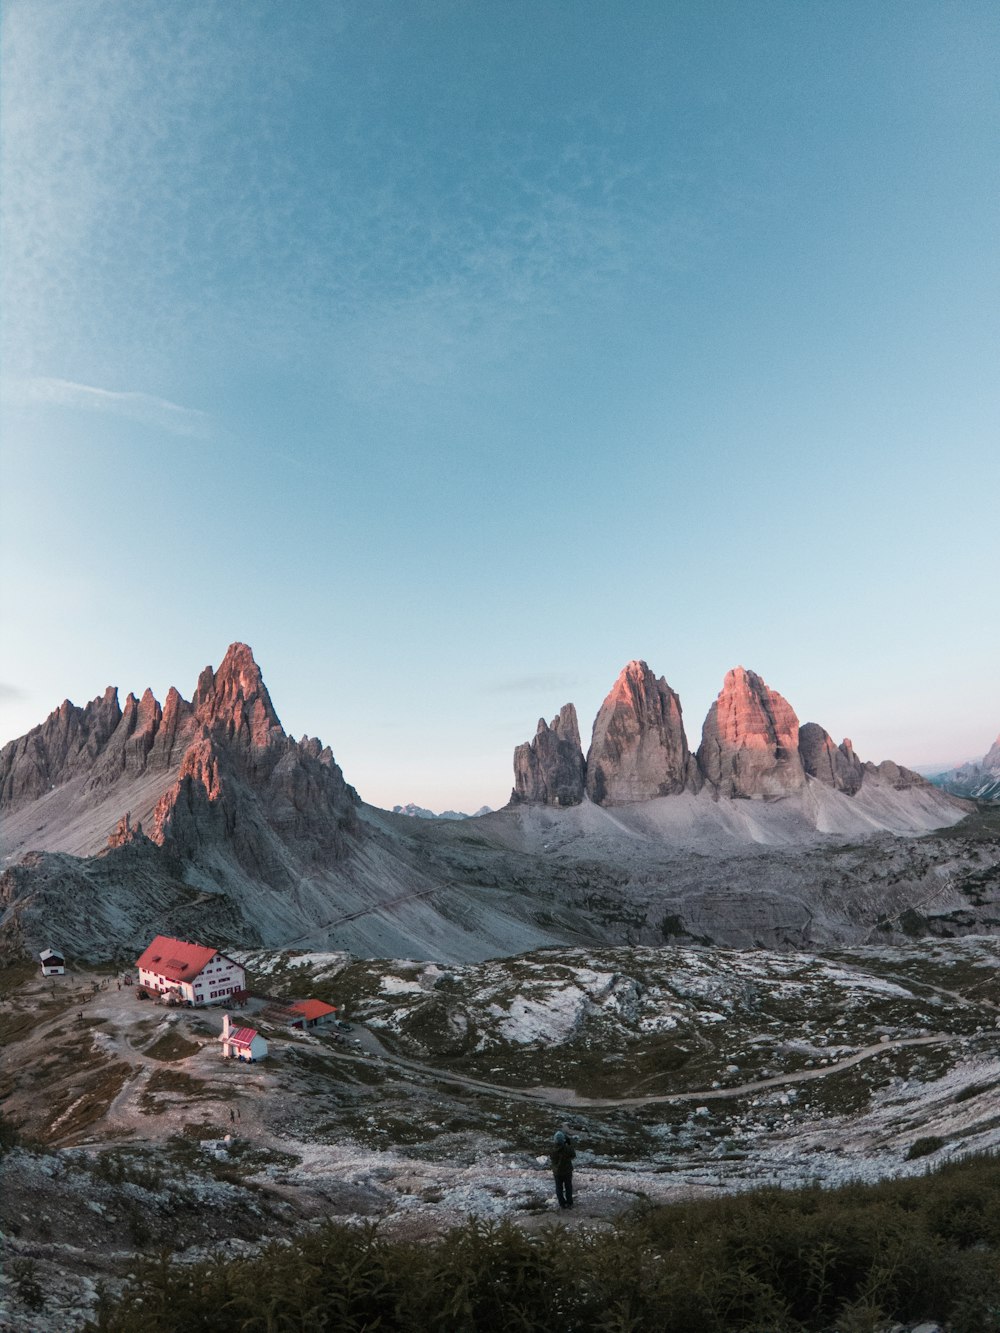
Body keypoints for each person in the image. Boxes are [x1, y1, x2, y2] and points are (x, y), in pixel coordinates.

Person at [549, 1129, 576, 1209]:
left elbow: (551, 1158)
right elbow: (573, 1155)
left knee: (559, 1188)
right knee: (568, 1187)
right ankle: (569, 1202)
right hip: (567, 1171)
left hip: (557, 1172)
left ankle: (562, 1203)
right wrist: (568, 1143)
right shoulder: (567, 1149)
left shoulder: (552, 1150)